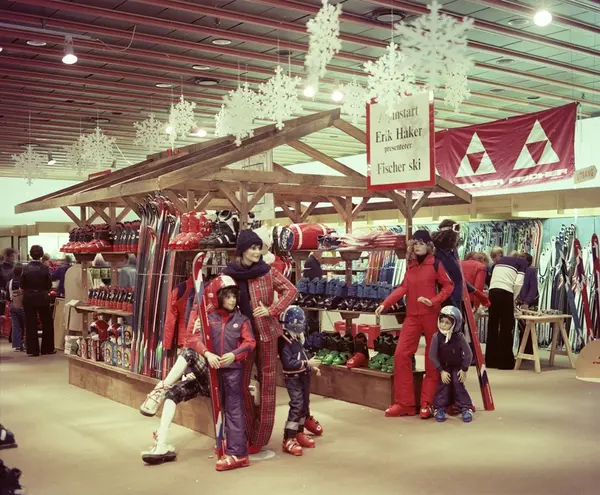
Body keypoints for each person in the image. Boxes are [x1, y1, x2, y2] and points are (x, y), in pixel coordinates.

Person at [139, 275, 255, 471]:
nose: (232, 300)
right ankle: (161, 443)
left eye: (234, 296)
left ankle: (159, 389)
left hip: (226, 375)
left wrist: (234, 355)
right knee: (173, 394)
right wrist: (207, 353)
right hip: (207, 373)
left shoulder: (240, 320)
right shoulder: (209, 319)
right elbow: (193, 339)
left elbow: (250, 342)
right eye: (227, 296)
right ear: (218, 297)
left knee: (233, 409)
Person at [222, 229, 299, 453]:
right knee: (240, 384)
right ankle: (246, 432)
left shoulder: (267, 271)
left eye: (258, 248)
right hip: (241, 337)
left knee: (267, 386)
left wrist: (272, 310)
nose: (257, 252)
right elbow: (217, 301)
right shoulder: (229, 275)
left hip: (266, 334)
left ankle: (259, 439)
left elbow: (291, 290)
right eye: (252, 248)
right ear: (242, 250)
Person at [375, 230, 454, 419]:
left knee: (431, 358)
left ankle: (428, 403)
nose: (418, 246)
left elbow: (448, 285)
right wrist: (386, 303)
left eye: (422, 243)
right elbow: (404, 287)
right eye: (415, 243)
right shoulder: (410, 265)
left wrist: (434, 301)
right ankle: (405, 404)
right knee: (401, 354)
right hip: (412, 317)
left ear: (428, 245)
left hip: (431, 315)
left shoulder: (435, 263)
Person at [278, 306, 322, 456]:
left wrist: (311, 366)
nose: (302, 325)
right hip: (293, 379)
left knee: (304, 405)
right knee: (296, 405)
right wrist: (307, 364)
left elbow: (302, 355)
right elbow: (288, 363)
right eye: (299, 322)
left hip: (303, 376)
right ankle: (288, 438)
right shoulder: (284, 341)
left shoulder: (296, 339)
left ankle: (299, 432)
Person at [431, 219, 489, 309]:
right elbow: (450, 282)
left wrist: (476, 292)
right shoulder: (441, 256)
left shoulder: (452, 253)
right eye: (457, 235)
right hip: (448, 303)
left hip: (455, 300)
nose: (459, 237)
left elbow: (458, 278)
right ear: (451, 235)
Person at [430, 306, 474, 423]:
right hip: (444, 367)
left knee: (458, 383)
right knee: (443, 385)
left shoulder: (460, 337)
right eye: (442, 321)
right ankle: (439, 408)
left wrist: (464, 369)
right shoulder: (436, 337)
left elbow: (469, 354)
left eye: (447, 323)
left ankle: (466, 407)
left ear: (455, 324)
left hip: (457, 367)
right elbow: (432, 356)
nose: (443, 325)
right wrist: (441, 371)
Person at [485, 253, 528, 369]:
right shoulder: (523, 263)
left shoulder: (500, 261)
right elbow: (518, 283)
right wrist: (513, 298)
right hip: (506, 292)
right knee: (506, 326)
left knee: (492, 326)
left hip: (492, 291)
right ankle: (505, 362)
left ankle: (490, 361)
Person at [20, 245, 54, 356]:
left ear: (30, 254)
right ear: (41, 255)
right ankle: (47, 348)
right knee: (47, 323)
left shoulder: (25, 268)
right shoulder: (45, 268)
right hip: (42, 297)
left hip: (29, 298)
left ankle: (32, 349)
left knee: (30, 323)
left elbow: (22, 285)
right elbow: (49, 285)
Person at [516, 252, 539, 354]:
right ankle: (523, 351)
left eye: (523, 257)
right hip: (520, 302)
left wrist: (527, 302)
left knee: (529, 327)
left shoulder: (531, 270)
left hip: (529, 303)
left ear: (528, 261)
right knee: (522, 328)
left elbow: (533, 288)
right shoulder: (520, 270)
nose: (520, 259)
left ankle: (529, 351)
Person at [8, 264, 25, 352]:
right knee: (26, 325)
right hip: (22, 305)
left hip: (13, 304)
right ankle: (26, 344)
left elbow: (8, 295)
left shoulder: (10, 281)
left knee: (15, 326)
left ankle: (17, 345)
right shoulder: (24, 281)